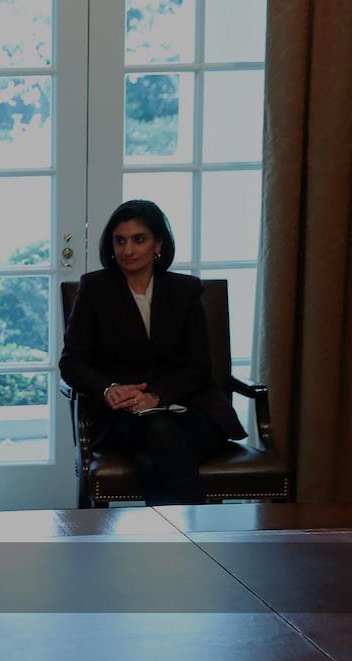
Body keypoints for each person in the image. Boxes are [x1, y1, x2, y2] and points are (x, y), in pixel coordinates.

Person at [59, 199, 246, 505]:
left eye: (139, 239)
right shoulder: (94, 288)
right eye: (120, 241)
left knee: (152, 459)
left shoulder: (185, 290)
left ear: (158, 244)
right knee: (157, 432)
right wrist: (109, 389)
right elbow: (72, 363)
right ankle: (197, 528)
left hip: (190, 410)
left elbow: (199, 366)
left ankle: (171, 533)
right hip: (122, 416)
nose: (128, 250)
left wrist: (156, 396)